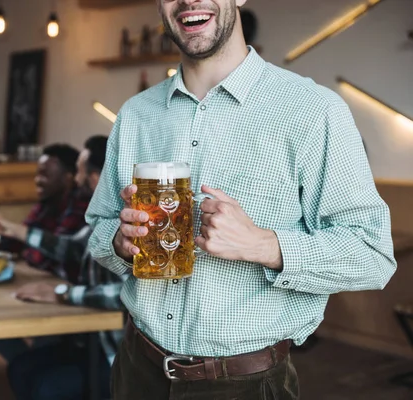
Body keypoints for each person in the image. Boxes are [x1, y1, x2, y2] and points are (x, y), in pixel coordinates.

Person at [86, 1, 397, 399]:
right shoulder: (135, 115)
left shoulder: (313, 110)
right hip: (136, 368)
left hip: (245, 384)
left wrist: (264, 245)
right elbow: (99, 225)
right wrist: (119, 241)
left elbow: (373, 254)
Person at [0, 136, 125, 399]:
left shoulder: (130, 221)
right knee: (20, 368)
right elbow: (72, 248)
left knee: (46, 386)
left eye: (80, 171)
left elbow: (124, 293)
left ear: (96, 179)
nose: (75, 179)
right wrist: (15, 230)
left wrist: (62, 294)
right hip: (90, 340)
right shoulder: (103, 217)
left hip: (117, 354)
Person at [2, 143, 90, 283]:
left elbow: (57, 255)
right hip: (46, 281)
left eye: (45, 175)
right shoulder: (47, 201)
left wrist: (26, 250)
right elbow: (17, 241)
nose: (37, 180)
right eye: (38, 174)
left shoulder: (81, 205)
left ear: (68, 178)